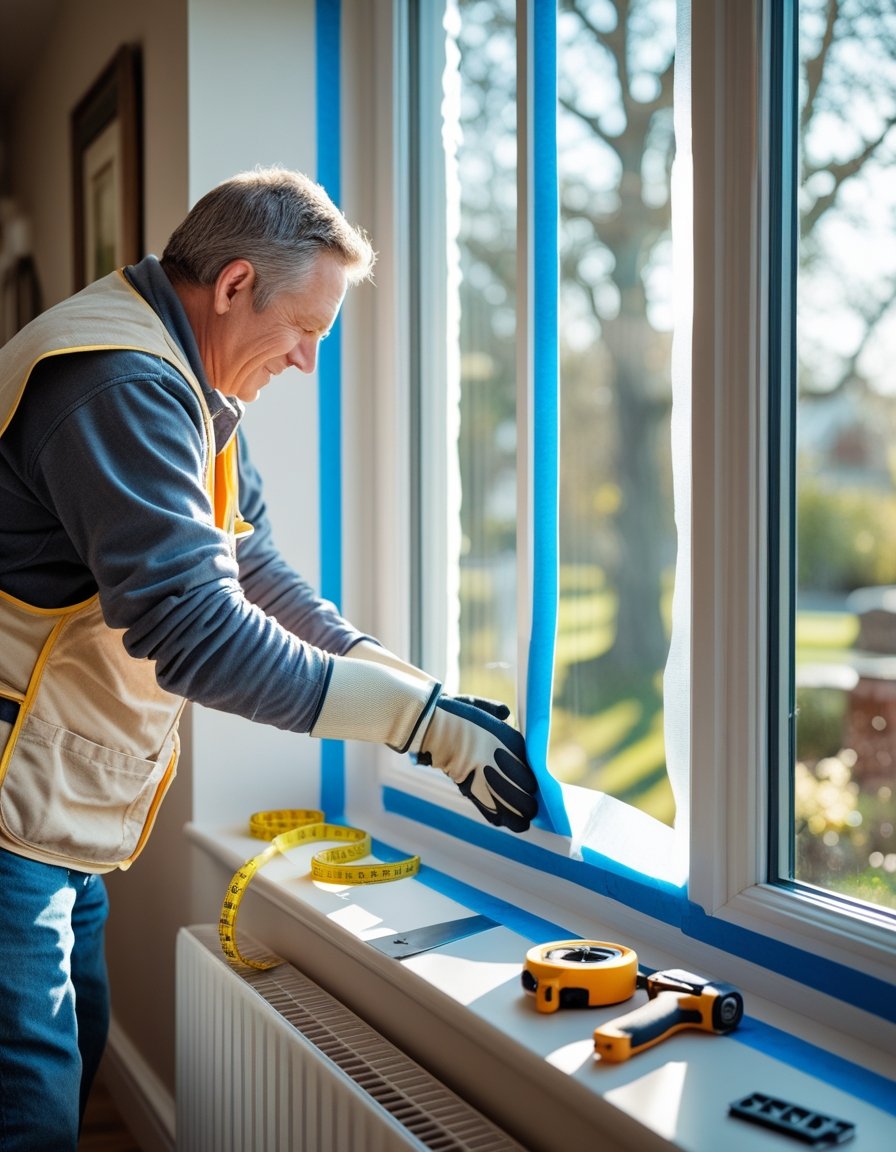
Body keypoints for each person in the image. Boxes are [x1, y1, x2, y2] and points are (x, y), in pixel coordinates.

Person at [0, 166, 538, 1151]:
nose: (305, 362)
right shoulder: (120, 385)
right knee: (24, 1090)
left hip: (48, 798)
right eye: (306, 330)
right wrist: (412, 727)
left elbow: (254, 573)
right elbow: (196, 629)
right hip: (8, 798)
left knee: (66, 1040)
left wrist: (421, 695)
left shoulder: (185, 383)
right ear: (236, 282)